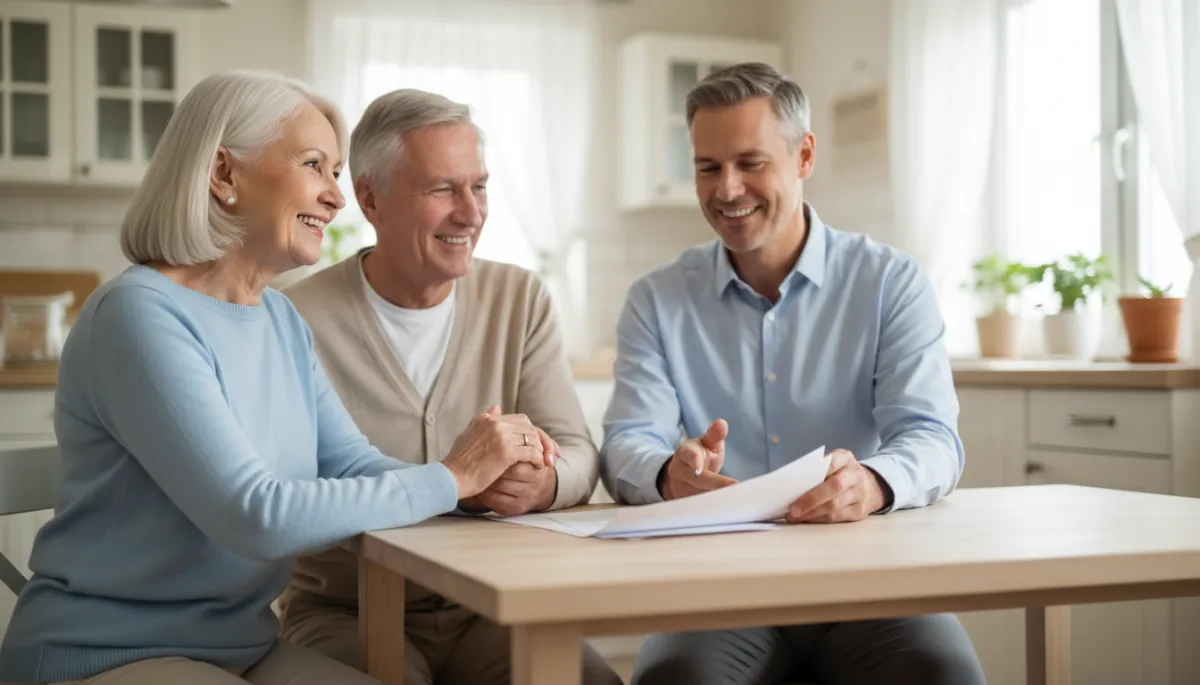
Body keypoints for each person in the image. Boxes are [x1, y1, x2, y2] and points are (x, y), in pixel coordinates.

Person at [0, 71, 552, 685]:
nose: (336, 198)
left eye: (336, 173)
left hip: (239, 646)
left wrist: (471, 487)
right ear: (223, 175)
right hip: (107, 653)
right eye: (314, 164)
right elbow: (255, 515)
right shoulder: (137, 316)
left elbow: (350, 463)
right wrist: (449, 477)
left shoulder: (279, 319)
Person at [599, 63, 986, 685]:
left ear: (804, 155)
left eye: (751, 162)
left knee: (942, 675)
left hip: (869, 579)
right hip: (719, 590)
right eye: (707, 167)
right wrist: (667, 475)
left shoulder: (891, 283)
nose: (727, 190)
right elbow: (625, 441)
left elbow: (933, 437)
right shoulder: (656, 298)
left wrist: (874, 483)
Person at [276, 88, 621, 685]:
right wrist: (454, 484)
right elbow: (288, 495)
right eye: (442, 189)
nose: (471, 212)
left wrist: (541, 484)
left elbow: (578, 452)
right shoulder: (295, 318)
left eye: (479, 186)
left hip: (490, 608)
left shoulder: (520, 299)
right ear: (370, 199)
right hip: (343, 611)